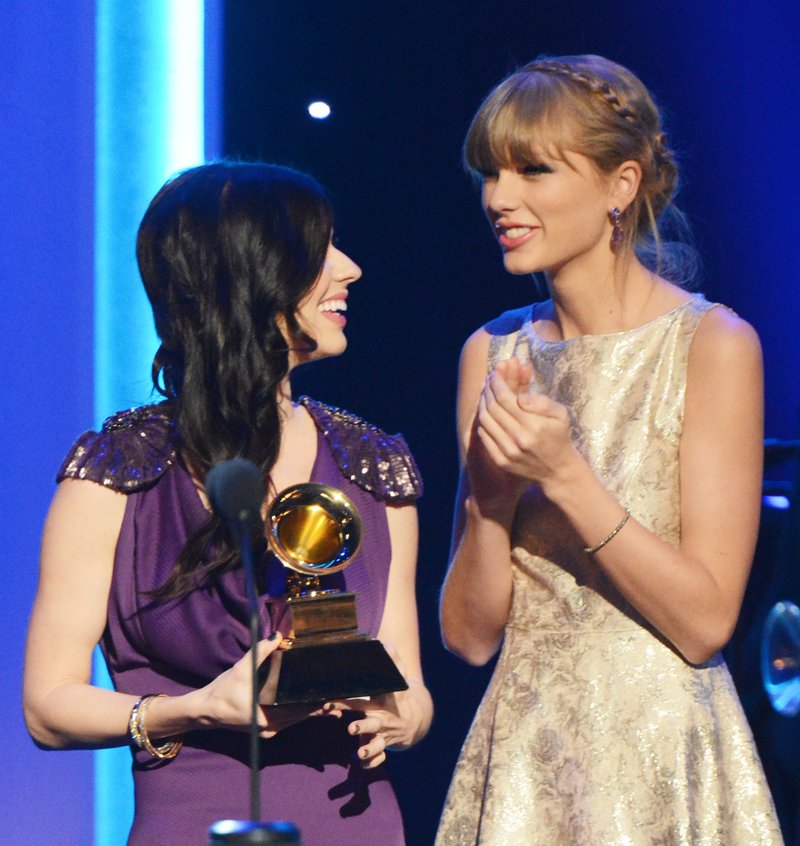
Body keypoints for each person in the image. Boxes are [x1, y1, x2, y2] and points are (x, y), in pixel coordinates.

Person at [23, 162, 432, 846]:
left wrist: (399, 719)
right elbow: (48, 706)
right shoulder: (117, 473)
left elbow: (411, 688)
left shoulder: (373, 466)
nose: (351, 269)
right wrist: (195, 709)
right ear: (253, 276)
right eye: (320, 249)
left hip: (353, 824)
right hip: (192, 822)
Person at [436, 55, 783, 845]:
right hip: (527, 757)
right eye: (490, 173)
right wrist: (490, 498)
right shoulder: (489, 353)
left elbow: (705, 623)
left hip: (667, 757)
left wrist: (563, 475)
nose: (500, 198)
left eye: (532, 169)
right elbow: (467, 637)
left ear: (620, 185)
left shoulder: (711, 345)